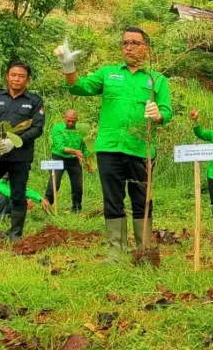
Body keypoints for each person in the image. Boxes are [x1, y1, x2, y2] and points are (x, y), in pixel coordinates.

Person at [55, 28, 173, 261]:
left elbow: (167, 111)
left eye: (135, 43)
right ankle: (116, 250)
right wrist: (68, 67)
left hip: (141, 148)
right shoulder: (108, 74)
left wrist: (159, 114)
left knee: (142, 198)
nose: (129, 47)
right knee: (112, 198)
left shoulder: (157, 79)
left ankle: (143, 249)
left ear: (145, 48)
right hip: (109, 148)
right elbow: (79, 86)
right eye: (125, 43)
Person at [0, 62, 45, 241]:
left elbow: (37, 128)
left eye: (21, 76)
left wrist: (15, 141)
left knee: (18, 194)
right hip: (0, 152)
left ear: (28, 80)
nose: (16, 79)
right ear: (7, 76)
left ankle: (15, 236)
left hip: (20, 156)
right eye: (13, 75)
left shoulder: (34, 101)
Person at [43, 110, 92, 213]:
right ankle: (46, 205)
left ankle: (76, 208)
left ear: (77, 120)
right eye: (68, 121)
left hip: (74, 160)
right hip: (58, 157)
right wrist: (75, 151)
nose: (70, 123)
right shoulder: (57, 128)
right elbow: (60, 146)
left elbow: (85, 147)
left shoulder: (81, 129)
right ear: (64, 117)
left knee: (77, 185)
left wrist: (88, 160)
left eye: (73, 121)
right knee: (55, 182)